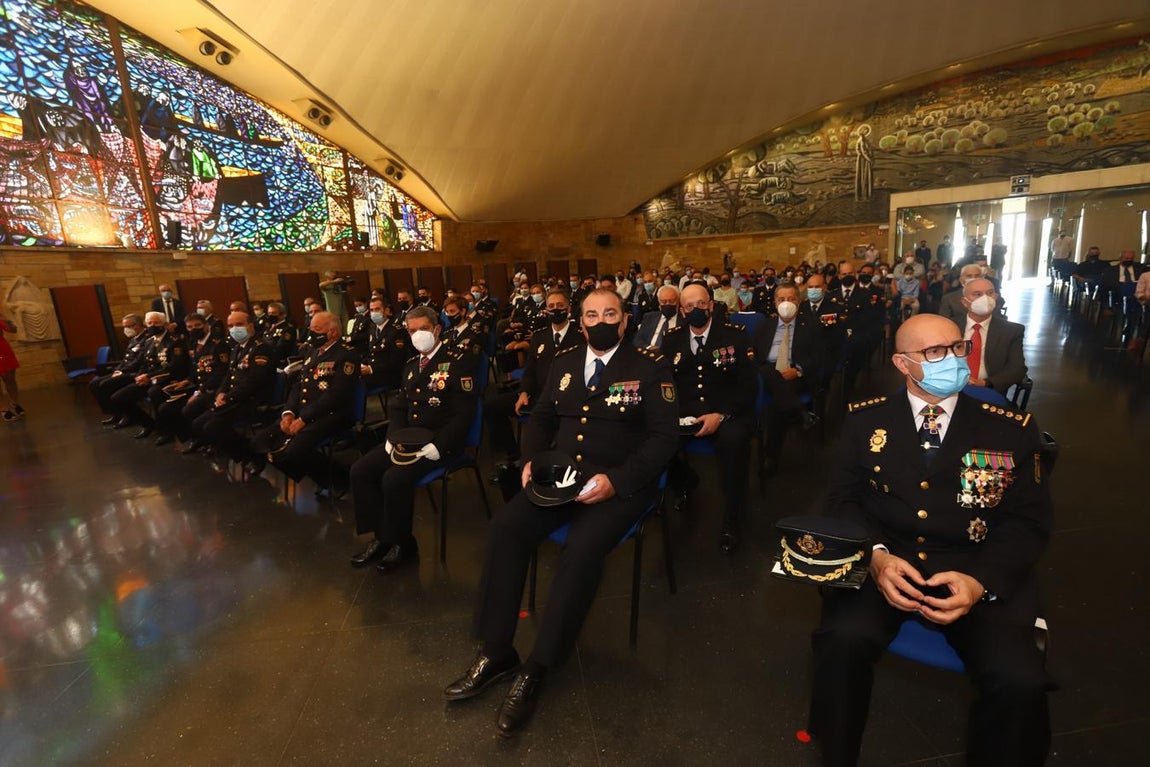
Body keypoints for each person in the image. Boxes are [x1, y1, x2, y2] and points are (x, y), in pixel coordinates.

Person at [807, 313, 1053, 767]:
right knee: (840, 642)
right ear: (902, 364)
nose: (954, 360)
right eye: (935, 353)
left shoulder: (1010, 428)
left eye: (958, 348)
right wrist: (876, 558)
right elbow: (842, 501)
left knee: (1019, 682)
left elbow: (1029, 523)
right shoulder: (866, 422)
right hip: (889, 563)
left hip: (974, 567)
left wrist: (980, 582)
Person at [443, 289, 678, 736]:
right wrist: (531, 458)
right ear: (582, 320)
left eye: (610, 313)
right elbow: (542, 417)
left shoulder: (649, 367)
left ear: (624, 320)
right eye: (592, 314)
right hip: (563, 478)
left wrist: (618, 482)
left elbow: (664, 439)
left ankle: (539, 665)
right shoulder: (565, 362)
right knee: (506, 528)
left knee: (582, 548)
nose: (601, 320)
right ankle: (497, 650)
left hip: (621, 484)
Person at [348, 306, 477, 571]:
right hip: (406, 439)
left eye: (423, 329)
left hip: (439, 443)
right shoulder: (409, 365)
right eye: (412, 330)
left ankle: (402, 544)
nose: (417, 335)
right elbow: (398, 407)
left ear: (437, 329)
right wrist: (392, 437)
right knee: (360, 470)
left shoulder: (458, 360)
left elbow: (464, 415)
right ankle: (380, 537)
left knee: (393, 479)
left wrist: (439, 446)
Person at [662, 283, 756, 553]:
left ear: (711, 305)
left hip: (728, 413)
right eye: (689, 306)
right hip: (686, 416)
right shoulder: (672, 339)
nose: (696, 310)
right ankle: (686, 480)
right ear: (682, 310)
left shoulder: (734, 336)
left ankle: (732, 518)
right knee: (655, 442)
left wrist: (721, 414)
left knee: (733, 443)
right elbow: (667, 384)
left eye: (701, 304)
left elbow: (748, 385)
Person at [254, 312, 359, 485]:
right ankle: (327, 475)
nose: (312, 334)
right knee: (261, 441)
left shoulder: (346, 354)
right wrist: (288, 413)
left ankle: (338, 480)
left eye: (317, 329)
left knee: (292, 452)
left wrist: (304, 418)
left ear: (332, 332)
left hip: (331, 414)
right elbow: (299, 386)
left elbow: (337, 395)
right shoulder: (312, 351)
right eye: (311, 329)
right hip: (305, 411)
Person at [486, 289, 580, 468]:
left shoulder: (580, 336)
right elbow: (530, 370)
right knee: (492, 405)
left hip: (565, 398)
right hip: (537, 394)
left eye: (560, 306)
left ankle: (541, 459)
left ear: (568, 309)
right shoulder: (540, 335)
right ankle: (511, 454)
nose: (555, 309)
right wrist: (524, 392)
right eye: (551, 306)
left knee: (542, 428)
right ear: (546, 309)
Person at [190, 312, 276, 467]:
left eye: (239, 324)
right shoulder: (237, 348)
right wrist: (221, 393)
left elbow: (254, 381)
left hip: (253, 399)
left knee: (212, 426)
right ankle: (242, 451)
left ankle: (251, 456)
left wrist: (228, 397)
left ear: (250, 325)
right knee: (198, 423)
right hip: (235, 398)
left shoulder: (261, 349)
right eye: (230, 326)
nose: (234, 329)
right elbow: (228, 376)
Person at [758, 282, 823, 472]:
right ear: (775, 302)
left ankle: (771, 456)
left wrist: (799, 370)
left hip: (794, 375)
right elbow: (752, 352)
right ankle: (800, 410)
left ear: (799, 301)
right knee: (769, 371)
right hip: (766, 372)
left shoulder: (811, 326)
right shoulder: (765, 325)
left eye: (791, 299)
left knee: (776, 406)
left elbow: (819, 356)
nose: (786, 303)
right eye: (781, 299)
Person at [153, 312, 230, 449]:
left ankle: (207, 441)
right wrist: (187, 380)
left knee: (188, 409)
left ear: (206, 326)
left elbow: (221, 373)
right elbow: (195, 368)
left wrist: (199, 392)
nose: (193, 329)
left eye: (197, 325)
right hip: (197, 387)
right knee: (165, 407)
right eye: (189, 327)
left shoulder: (218, 344)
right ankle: (192, 437)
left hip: (212, 389)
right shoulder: (194, 343)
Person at [106, 311, 188, 438]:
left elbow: (174, 367)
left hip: (166, 379)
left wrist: (149, 377)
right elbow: (144, 363)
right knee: (118, 398)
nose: (152, 325)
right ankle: (149, 424)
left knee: (154, 393)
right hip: (147, 378)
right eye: (149, 323)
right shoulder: (149, 341)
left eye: (156, 323)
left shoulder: (174, 341)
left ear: (164, 324)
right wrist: (140, 376)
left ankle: (166, 431)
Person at [960, 278, 1027, 393]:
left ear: (996, 297)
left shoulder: (1011, 331)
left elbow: (1017, 369)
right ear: (965, 302)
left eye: (990, 293)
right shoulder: (950, 326)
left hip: (987, 389)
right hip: (951, 388)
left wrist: (986, 383)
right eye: (977, 294)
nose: (985, 298)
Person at [90, 314, 151, 424]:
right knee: (94, 384)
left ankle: (127, 416)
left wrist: (122, 371)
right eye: (124, 327)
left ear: (137, 325)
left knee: (105, 385)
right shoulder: (133, 339)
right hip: (125, 370)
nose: (125, 330)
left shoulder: (146, 338)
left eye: (127, 326)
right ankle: (115, 413)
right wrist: (117, 370)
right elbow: (126, 359)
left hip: (134, 373)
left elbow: (138, 362)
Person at [360, 297, 409, 390]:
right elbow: (371, 352)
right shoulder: (373, 329)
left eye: (377, 309)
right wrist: (362, 364)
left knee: (354, 384)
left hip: (388, 374)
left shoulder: (396, 331)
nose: (374, 313)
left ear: (386, 310)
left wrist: (371, 368)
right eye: (371, 310)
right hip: (374, 371)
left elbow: (396, 361)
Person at [1101, 250, 1145, 346]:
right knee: (1127, 289)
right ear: (1120, 259)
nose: (1129, 260)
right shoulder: (1111, 270)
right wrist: (1123, 285)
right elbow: (1107, 283)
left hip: (1136, 291)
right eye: (1126, 258)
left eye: (1131, 259)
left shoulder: (1139, 269)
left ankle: (1136, 329)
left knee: (1137, 292)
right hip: (1118, 292)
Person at [0, 303, 22, 421]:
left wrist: (4, 319)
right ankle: (3, 408)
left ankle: (14, 403)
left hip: (3, 349)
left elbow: (13, 330)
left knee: (10, 378)